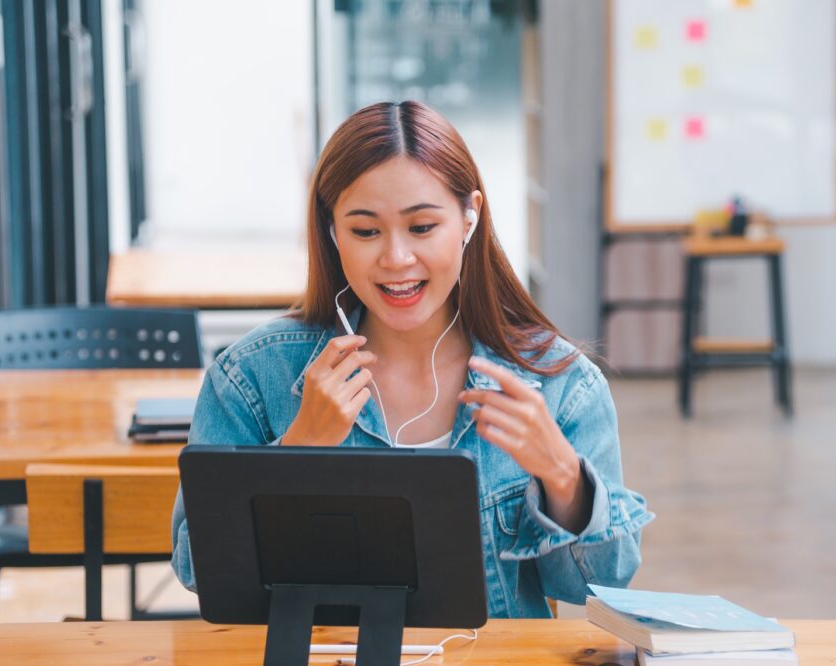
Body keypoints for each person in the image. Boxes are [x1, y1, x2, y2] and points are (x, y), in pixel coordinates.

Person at [171, 101, 653, 617]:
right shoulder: (250, 376)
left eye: (422, 228)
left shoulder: (560, 383)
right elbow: (197, 568)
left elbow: (600, 584)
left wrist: (562, 477)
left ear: (470, 217)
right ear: (332, 232)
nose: (397, 258)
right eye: (365, 231)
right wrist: (298, 450)